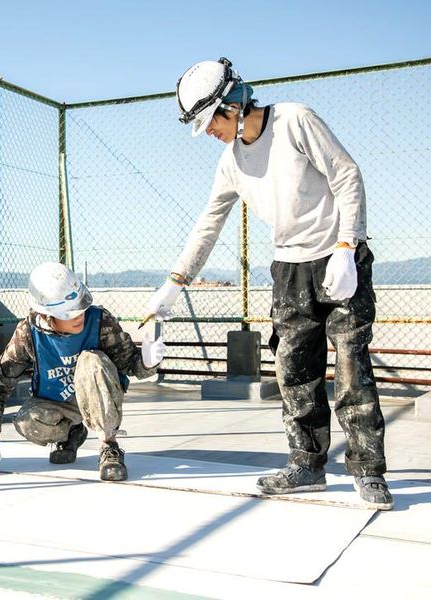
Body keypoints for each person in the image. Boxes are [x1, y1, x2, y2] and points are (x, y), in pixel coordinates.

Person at [147, 57, 392, 510]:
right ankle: (307, 465)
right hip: (290, 269)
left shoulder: (295, 120)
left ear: (231, 106)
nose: (210, 134)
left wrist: (346, 245)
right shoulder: (230, 162)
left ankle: (368, 471)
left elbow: (346, 174)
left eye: (211, 124)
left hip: (339, 259)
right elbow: (209, 223)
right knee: (295, 370)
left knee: (352, 367)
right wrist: (175, 282)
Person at [0, 262, 165, 481]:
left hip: (98, 398)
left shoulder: (100, 321)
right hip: (58, 404)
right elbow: (0, 382)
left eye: (80, 306)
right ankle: (72, 432)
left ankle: (109, 446)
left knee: (91, 360)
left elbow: (131, 365)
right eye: (69, 312)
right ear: (46, 315)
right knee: (26, 422)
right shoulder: (28, 332)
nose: (79, 315)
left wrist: (148, 361)